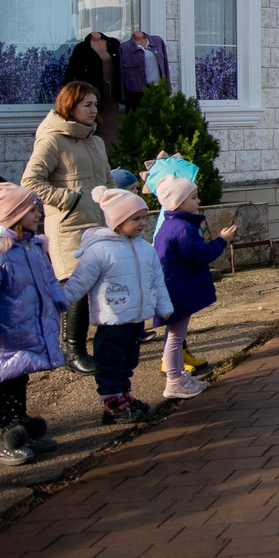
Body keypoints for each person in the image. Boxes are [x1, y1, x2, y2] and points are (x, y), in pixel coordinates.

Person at [0, 183, 63, 465]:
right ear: (13, 215)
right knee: (1, 385)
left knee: (19, 379)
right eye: (31, 210)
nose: (38, 214)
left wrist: (58, 301)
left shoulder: (31, 246)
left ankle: (20, 425)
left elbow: (48, 278)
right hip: (4, 336)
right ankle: (0, 436)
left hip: (24, 330)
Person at [23, 80, 113, 372]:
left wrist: (118, 203)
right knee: (76, 289)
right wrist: (70, 200)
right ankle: (73, 352)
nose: (94, 110)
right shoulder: (51, 140)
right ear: (69, 106)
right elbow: (30, 183)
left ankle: (103, 344)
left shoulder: (95, 140)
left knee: (100, 285)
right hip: (69, 227)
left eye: (95, 104)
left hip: (99, 224)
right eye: (87, 104)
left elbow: (107, 179)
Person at [64, 185, 171, 420]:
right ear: (118, 221)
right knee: (110, 362)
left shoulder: (145, 249)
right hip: (111, 321)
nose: (143, 222)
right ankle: (111, 402)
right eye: (136, 218)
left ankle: (123, 392)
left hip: (135, 319)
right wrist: (57, 303)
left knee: (128, 360)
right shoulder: (100, 250)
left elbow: (156, 280)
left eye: (143, 217)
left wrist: (164, 307)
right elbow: (79, 283)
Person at [151, 171, 235, 399]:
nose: (197, 202)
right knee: (176, 337)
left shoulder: (169, 226)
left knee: (175, 336)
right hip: (178, 291)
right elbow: (200, 255)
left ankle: (177, 376)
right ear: (178, 203)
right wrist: (222, 240)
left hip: (173, 289)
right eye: (193, 198)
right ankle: (174, 381)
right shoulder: (183, 229)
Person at [62, 30, 125, 143]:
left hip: (111, 94)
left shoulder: (114, 44)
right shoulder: (82, 48)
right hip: (91, 95)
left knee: (109, 131)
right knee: (89, 129)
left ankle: (106, 158)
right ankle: (90, 157)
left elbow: (123, 67)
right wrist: (66, 96)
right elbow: (71, 73)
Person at [119, 27, 171, 102]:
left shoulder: (157, 41)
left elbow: (165, 64)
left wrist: (167, 86)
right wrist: (122, 96)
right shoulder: (125, 47)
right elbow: (121, 73)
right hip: (136, 93)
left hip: (158, 88)